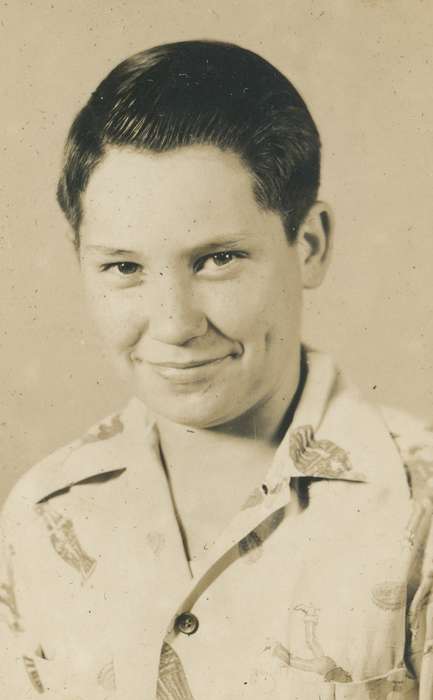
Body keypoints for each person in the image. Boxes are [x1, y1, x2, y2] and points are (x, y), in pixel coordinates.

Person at [1, 39, 432, 700]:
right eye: (124, 268)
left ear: (309, 245)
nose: (174, 323)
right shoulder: (41, 516)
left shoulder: (418, 508)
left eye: (216, 259)